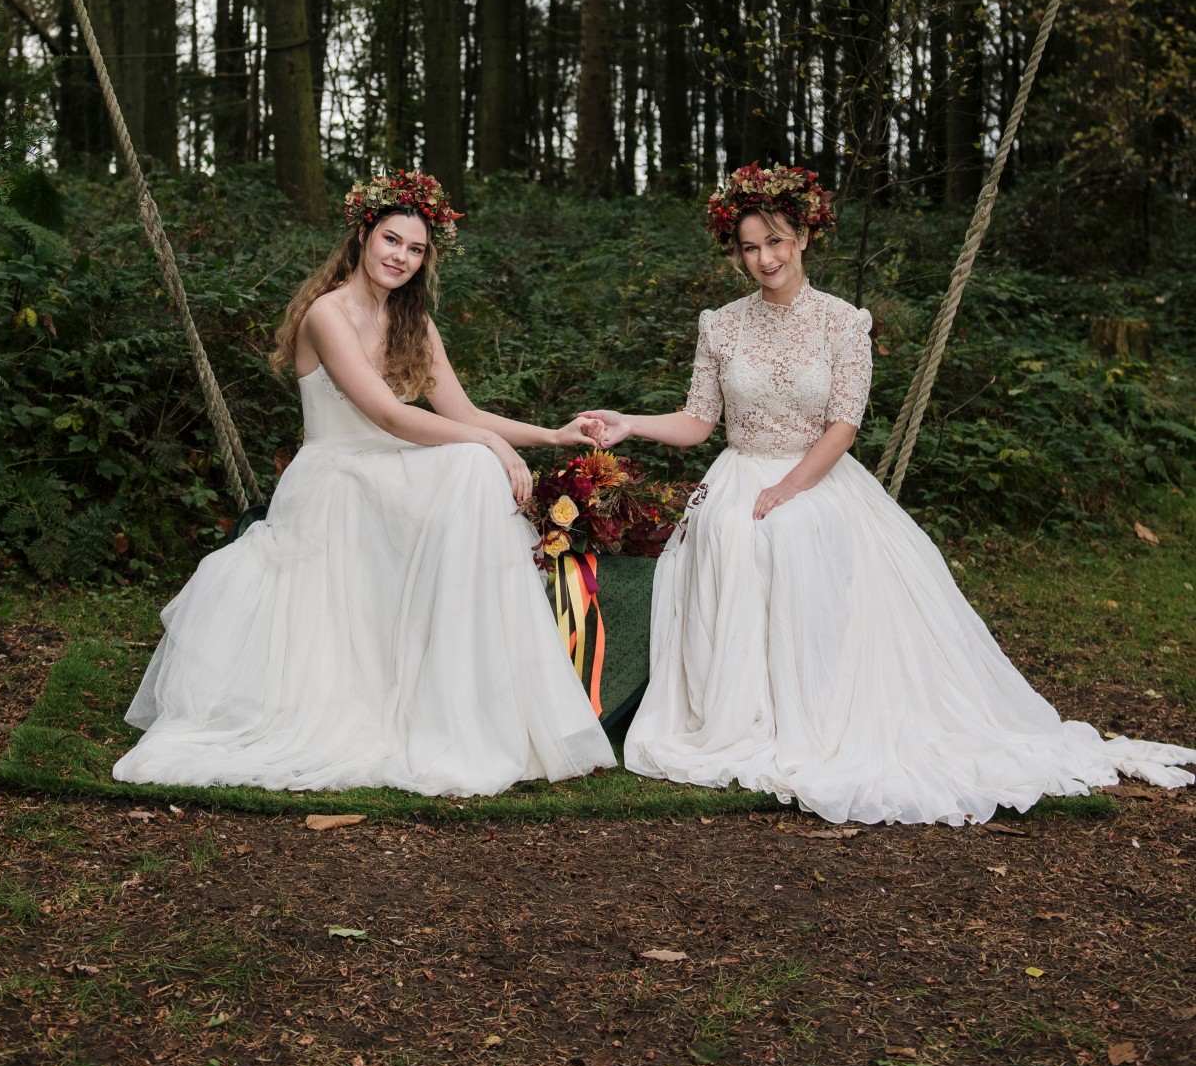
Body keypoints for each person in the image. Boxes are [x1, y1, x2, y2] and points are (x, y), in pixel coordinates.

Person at [580, 162, 1194, 826]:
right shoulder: (720, 326)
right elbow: (699, 420)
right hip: (739, 470)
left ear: (805, 236)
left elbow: (843, 426)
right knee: (731, 535)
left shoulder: (844, 324)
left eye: (777, 241)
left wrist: (790, 486)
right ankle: (744, 719)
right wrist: (630, 423)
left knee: (794, 533)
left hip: (814, 473)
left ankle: (818, 720)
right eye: (750, 247)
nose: (765, 258)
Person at [114, 170, 615, 797]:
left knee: (469, 466)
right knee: (470, 464)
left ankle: (461, 704)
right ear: (361, 236)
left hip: (391, 471)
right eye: (391, 240)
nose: (400, 257)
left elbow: (465, 415)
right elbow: (387, 415)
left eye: (415, 249)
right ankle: (422, 704)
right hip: (336, 481)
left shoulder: (413, 323)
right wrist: (488, 447)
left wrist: (552, 436)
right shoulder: (327, 315)